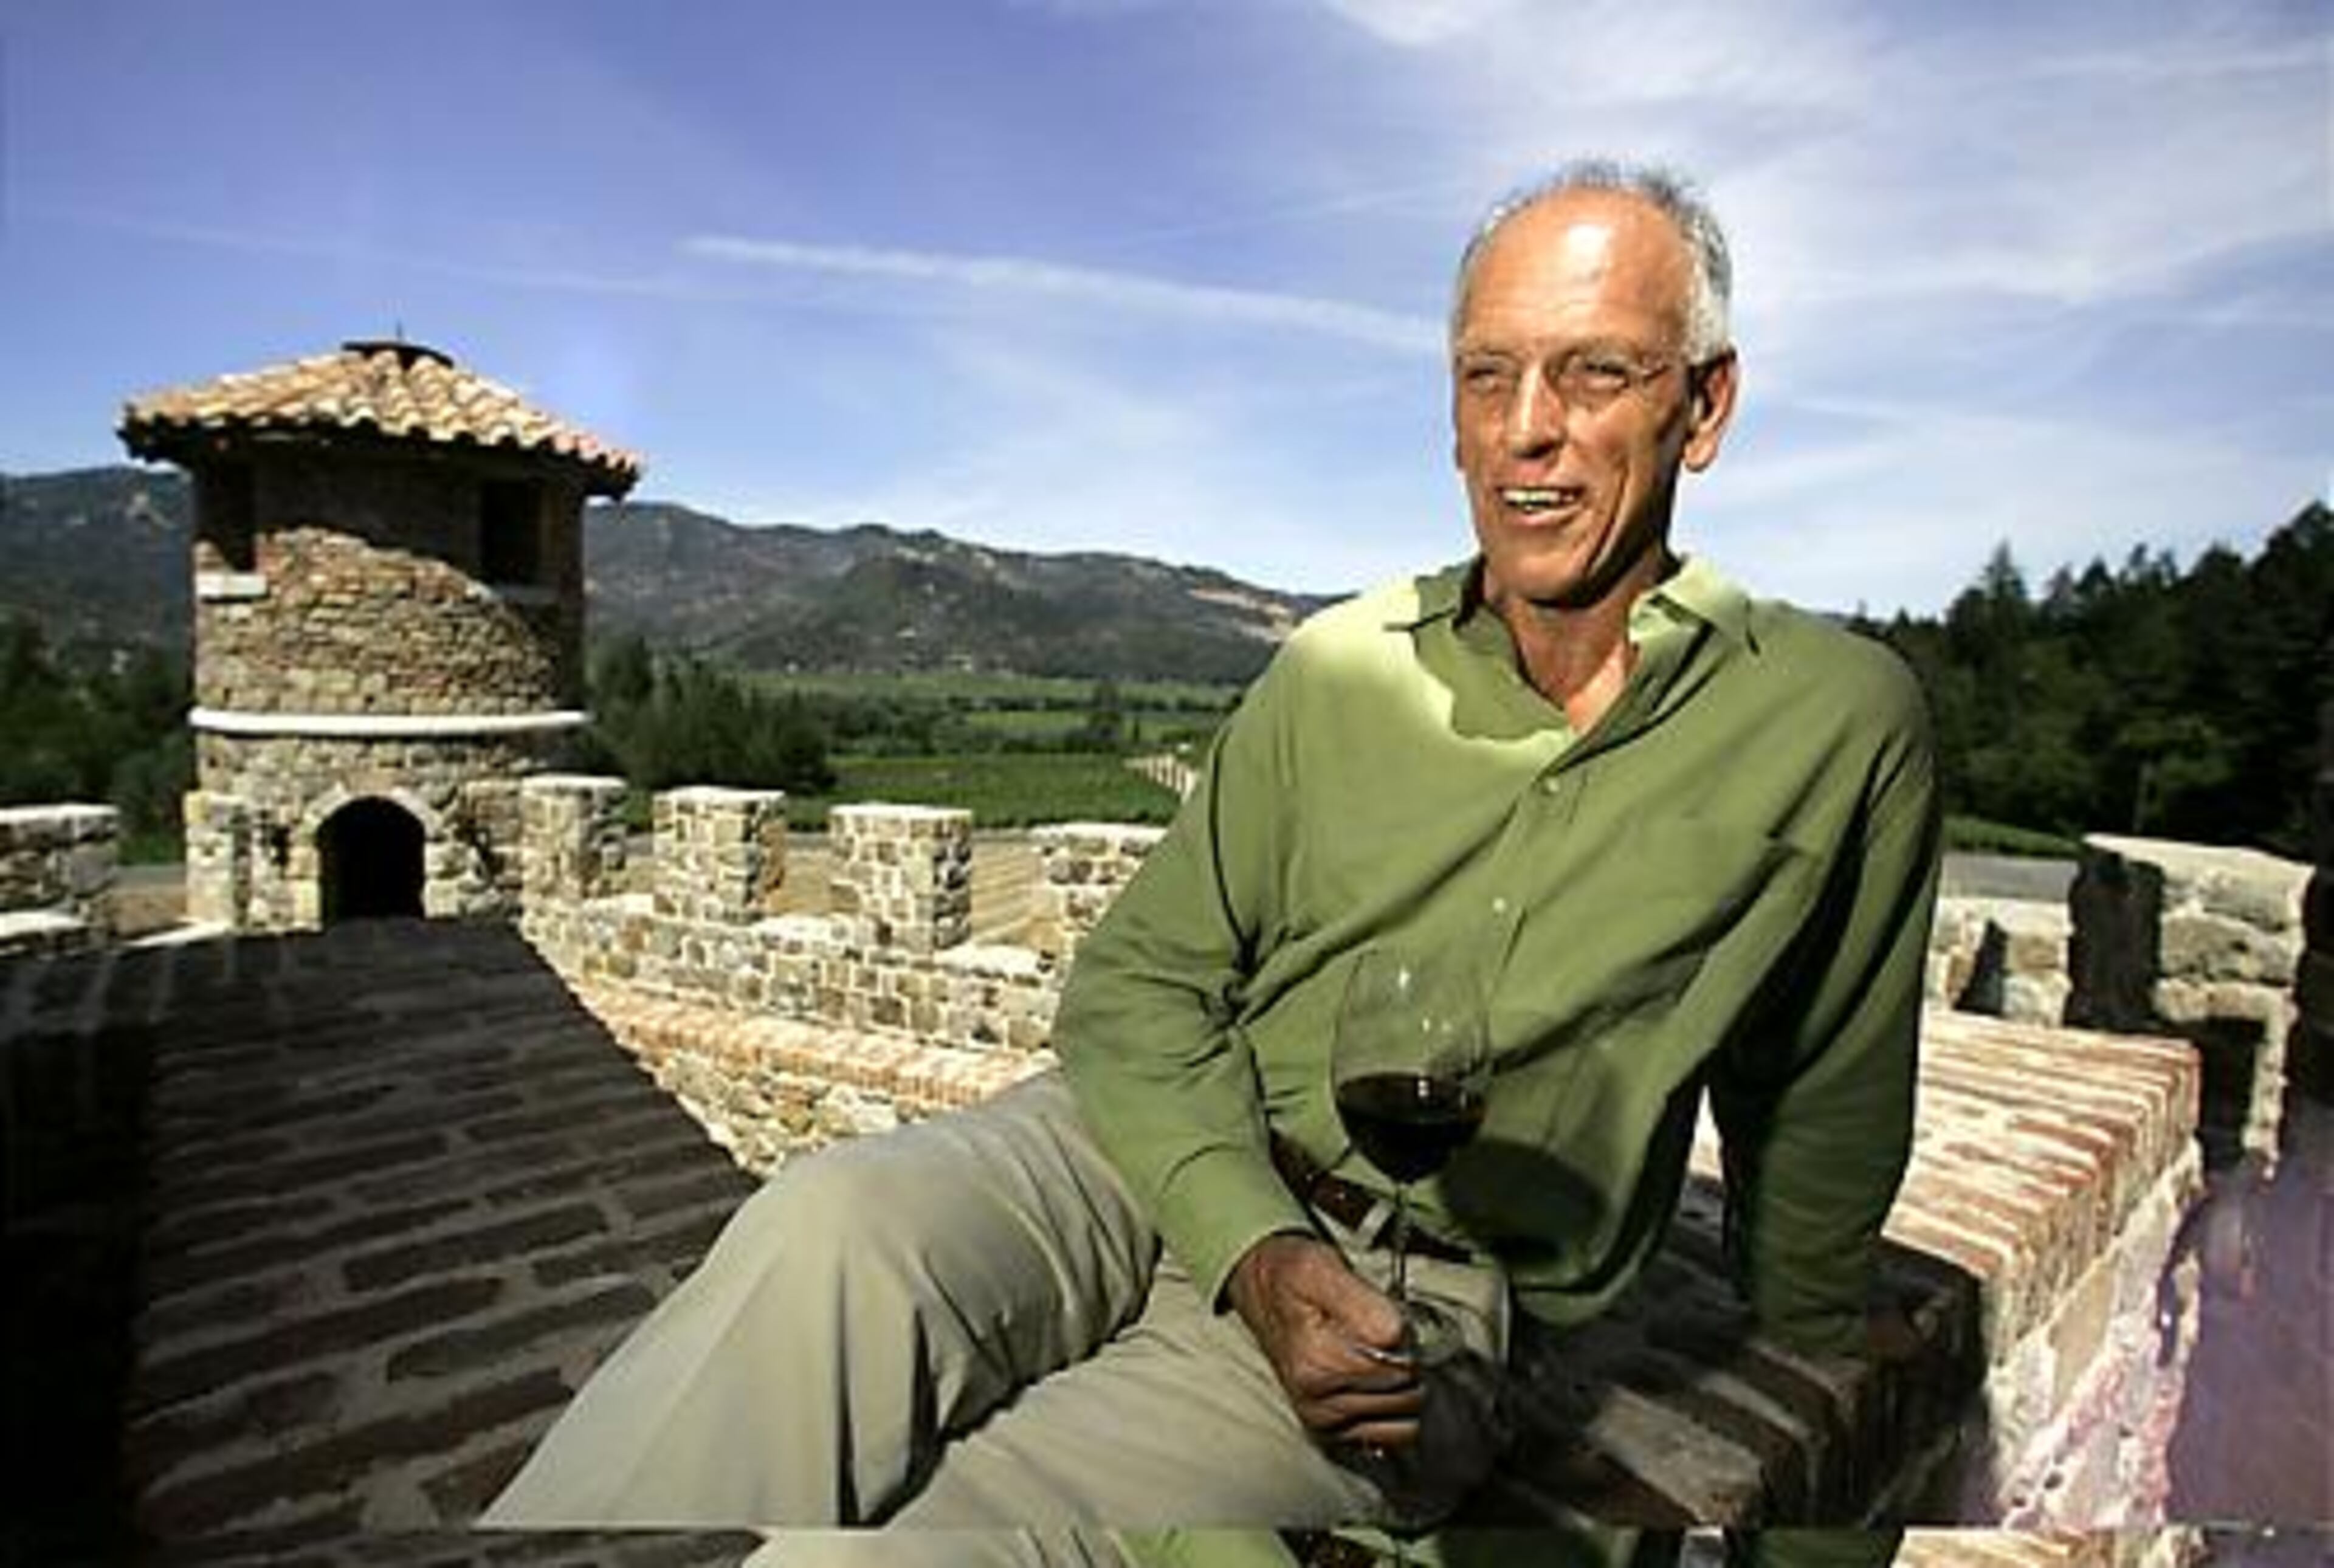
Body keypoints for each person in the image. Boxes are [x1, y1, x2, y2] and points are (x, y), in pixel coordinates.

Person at [483, 159, 1938, 1568]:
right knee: (819, 1235)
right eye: (1487, 378)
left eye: (1596, 374)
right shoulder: (1334, 669)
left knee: (950, 1534)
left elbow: (1822, 1112)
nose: (1527, 431)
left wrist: (1819, 1459)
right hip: (1138, 1149)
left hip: (1403, 1298)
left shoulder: (1831, 722)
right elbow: (1140, 984)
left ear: (1707, 405)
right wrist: (1252, 1244)